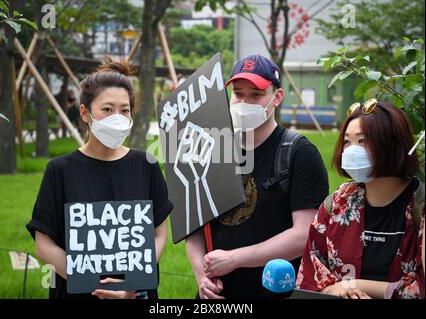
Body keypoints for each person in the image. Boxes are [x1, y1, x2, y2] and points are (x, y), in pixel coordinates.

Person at [26, 58, 173, 299]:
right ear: (85, 113)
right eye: (107, 109)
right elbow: (44, 246)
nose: (117, 117)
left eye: (124, 110)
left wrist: (130, 287)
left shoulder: (147, 165)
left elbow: (158, 236)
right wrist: (95, 285)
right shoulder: (59, 170)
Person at [185, 54, 329, 299]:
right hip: (217, 294)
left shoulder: (299, 153)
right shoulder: (211, 149)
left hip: (276, 291)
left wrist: (233, 259)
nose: (245, 102)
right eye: (239, 94)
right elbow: (194, 228)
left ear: (277, 97)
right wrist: (202, 276)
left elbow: (304, 234)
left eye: (256, 94)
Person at [296, 99, 425, 299]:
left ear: (392, 144)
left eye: (362, 141)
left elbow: (420, 287)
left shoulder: (419, 207)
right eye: (347, 141)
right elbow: (312, 271)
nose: (351, 150)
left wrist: (352, 284)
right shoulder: (338, 203)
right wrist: (334, 289)